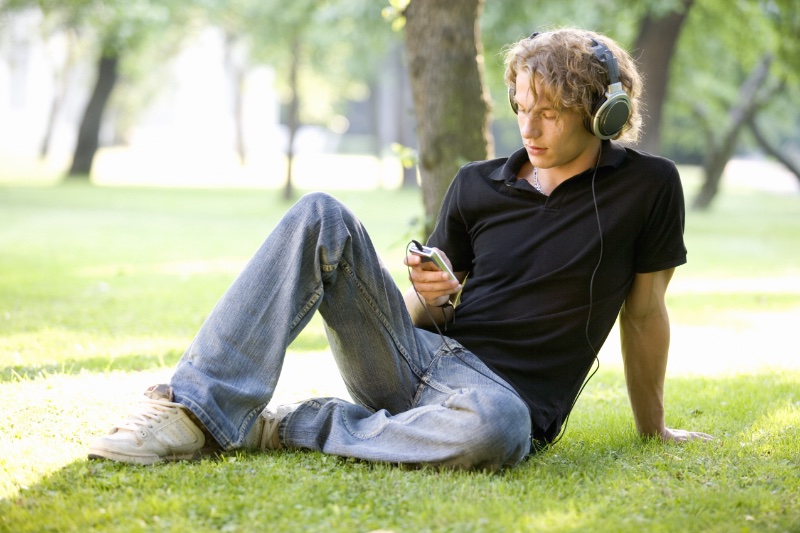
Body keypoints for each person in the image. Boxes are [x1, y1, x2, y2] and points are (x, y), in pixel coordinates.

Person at [88, 28, 712, 470]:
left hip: (501, 401)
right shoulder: (477, 182)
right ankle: (192, 408)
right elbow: (422, 319)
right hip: (418, 357)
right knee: (321, 215)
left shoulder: (649, 187)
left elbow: (645, 312)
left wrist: (651, 428)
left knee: (499, 429)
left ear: (602, 111)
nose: (528, 127)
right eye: (522, 107)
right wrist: (435, 297)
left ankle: (279, 425)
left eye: (548, 112)